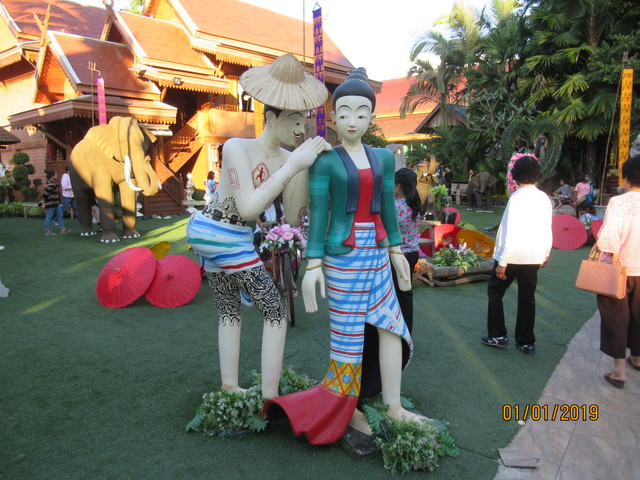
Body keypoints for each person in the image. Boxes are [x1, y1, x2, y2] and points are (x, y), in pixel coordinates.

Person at [264, 67, 424, 445]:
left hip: (378, 255)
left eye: (362, 113)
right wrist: (313, 265)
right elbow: (319, 214)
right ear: (333, 117)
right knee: (347, 337)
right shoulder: (326, 160)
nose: (353, 121)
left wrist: (397, 251)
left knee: (391, 326)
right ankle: (345, 408)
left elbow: (388, 206)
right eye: (345, 112)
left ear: (372, 117)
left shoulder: (384, 158)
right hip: (342, 258)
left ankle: (394, 405)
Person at [186, 53, 330, 399]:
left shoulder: (290, 158)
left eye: (304, 122)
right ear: (270, 118)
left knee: (229, 311)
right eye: (294, 120)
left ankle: (230, 387)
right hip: (216, 231)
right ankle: (270, 398)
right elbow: (250, 207)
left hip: (231, 237)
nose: (301, 129)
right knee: (276, 312)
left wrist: (305, 168)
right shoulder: (237, 147)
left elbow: (292, 217)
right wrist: (291, 166)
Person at [481, 156, 552, 355]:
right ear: (537, 175)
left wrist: (502, 262)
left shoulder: (516, 199)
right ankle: (526, 341)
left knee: (495, 291)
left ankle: (498, 334)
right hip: (533, 256)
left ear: (514, 176)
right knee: (527, 297)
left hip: (512, 257)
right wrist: (546, 252)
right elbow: (547, 228)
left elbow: (510, 232)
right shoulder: (544, 198)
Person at [595, 155, 640, 389]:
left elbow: (608, 238)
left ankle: (619, 372)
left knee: (615, 317)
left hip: (619, 268)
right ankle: (637, 358)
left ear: (626, 177)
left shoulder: (618, 202)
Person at [42, 170, 71, 236]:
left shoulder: (52, 183)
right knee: (49, 216)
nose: (57, 175)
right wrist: (45, 201)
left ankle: (62, 229)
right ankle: (47, 230)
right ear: (53, 176)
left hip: (55, 203)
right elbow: (45, 194)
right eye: (55, 174)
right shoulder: (51, 184)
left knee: (60, 214)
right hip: (51, 203)